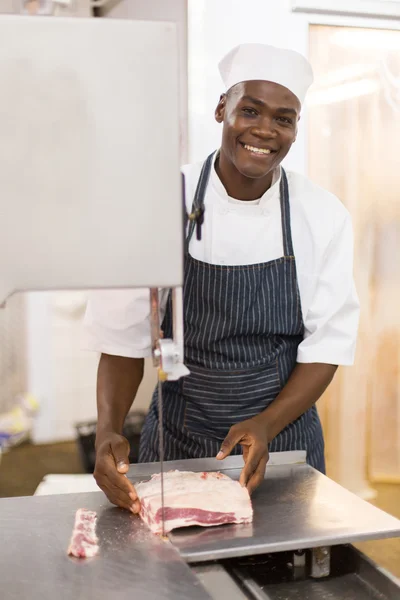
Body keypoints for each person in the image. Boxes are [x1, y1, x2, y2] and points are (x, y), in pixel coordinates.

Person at [84, 43, 360, 514]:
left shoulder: (321, 215)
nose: (264, 130)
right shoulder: (159, 202)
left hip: (282, 439)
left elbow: (327, 345)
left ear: (295, 129)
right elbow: (122, 339)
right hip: (178, 437)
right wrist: (108, 429)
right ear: (221, 109)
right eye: (249, 110)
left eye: (284, 118)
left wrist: (268, 424)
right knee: (168, 578)